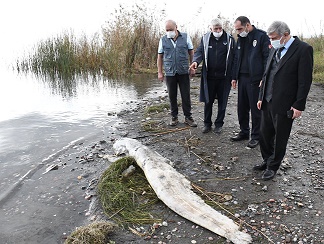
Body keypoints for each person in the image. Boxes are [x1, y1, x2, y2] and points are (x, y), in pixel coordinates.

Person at [253, 21, 313, 180]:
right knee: (264, 134)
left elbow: (304, 80)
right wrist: (261, 96)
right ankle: (266, 160)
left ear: (285, 35)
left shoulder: (303, 49)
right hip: (267, 100)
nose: (271, 41)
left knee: (280, 137)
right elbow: (267, 74)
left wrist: (299, 104)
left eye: (274, 38)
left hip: (285, 103)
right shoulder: (275, 48)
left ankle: (273, 166)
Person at [189, 18, 235, 134]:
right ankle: (207, 123)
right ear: (211, 29)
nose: (218, 30)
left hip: (224, 77)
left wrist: (234, 76)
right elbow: (199, 52)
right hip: (209, 77)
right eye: (216, 29)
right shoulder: (205, 38)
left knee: (222, 102)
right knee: (208, 101)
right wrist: (195, 62)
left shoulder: (229, 39)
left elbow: (234, 58)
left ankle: (219, 124)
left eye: (220, 28)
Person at [231, 16, 270, 148]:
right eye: (236, 30)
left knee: (255, 109)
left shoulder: (261, 37)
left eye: (240, 29)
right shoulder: (240, 39)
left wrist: (264, 78)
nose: (238, 32)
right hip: (242, 78)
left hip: (256, 79)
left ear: (248, 25)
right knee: (242, 107)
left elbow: (267, 59)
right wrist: (234, 77)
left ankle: (256, 136)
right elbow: (237, 58)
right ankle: (244, 131)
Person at [157, 19, 197, 127]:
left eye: (170, 29)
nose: (169, 31)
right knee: (172, 95)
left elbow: (191, 52)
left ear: (176, 27)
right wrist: (160, 72)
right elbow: (160, 56)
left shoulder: (185, 37)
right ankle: (174, 117)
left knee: (186, 95)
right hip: (170, 72)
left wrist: (192, 67)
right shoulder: (163, 40)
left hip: (184, 71)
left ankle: (188, 117)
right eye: (167, 30)